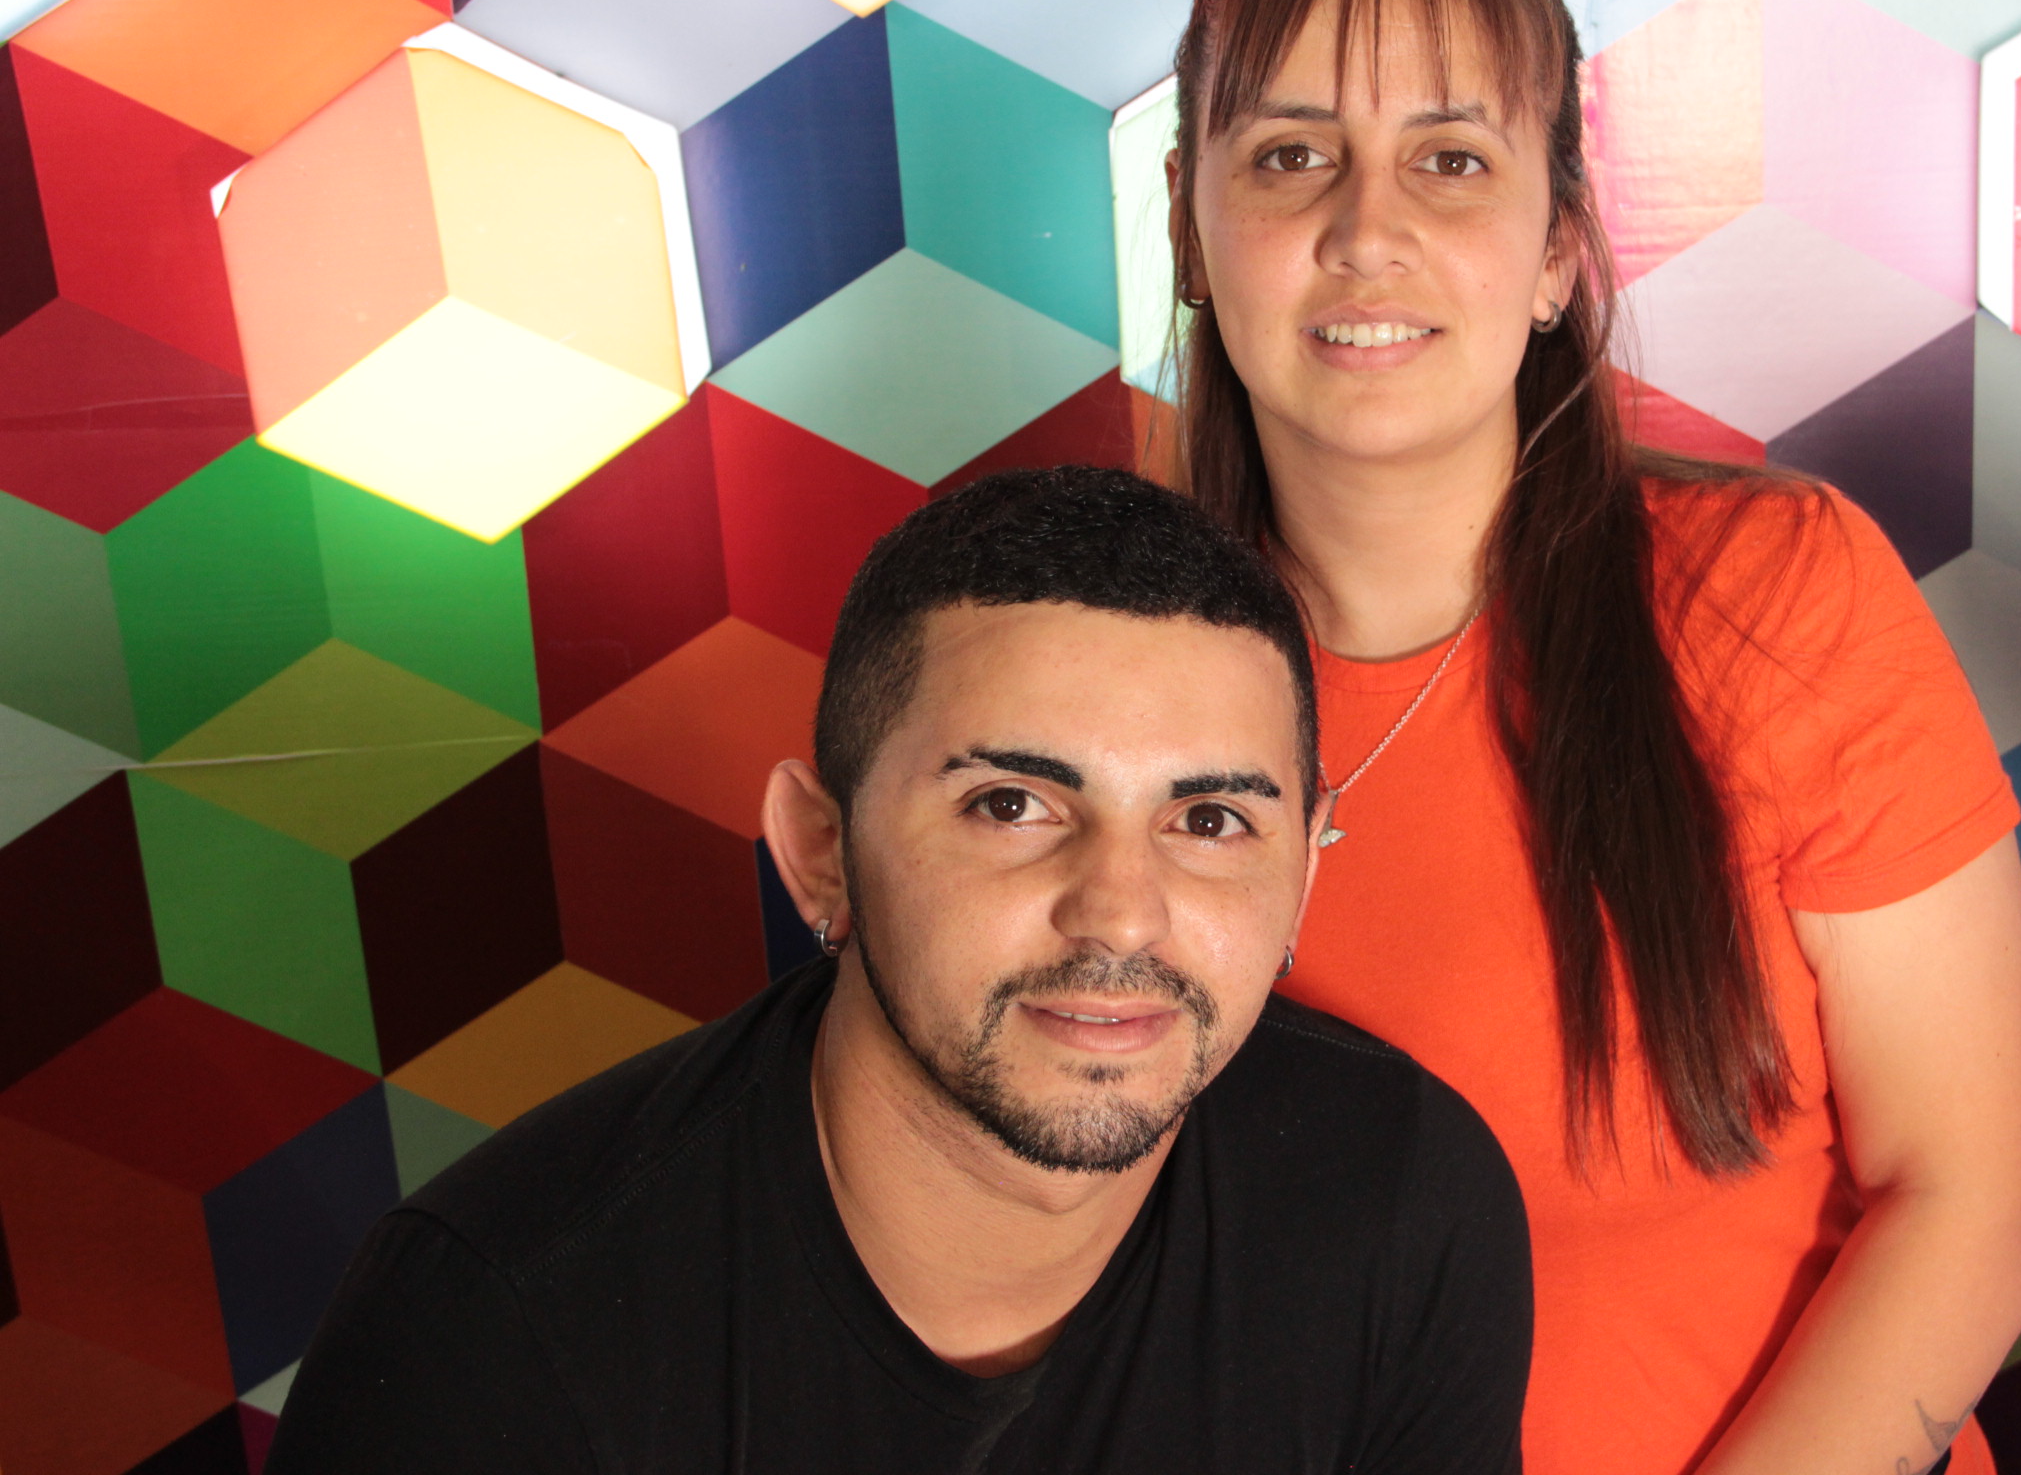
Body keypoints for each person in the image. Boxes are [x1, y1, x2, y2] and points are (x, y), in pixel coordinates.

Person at [1162, 0, 2021, 1475]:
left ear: (1556, 255)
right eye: (1291, 155)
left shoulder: (1777, 596)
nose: (1366, 229)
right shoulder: (1090, 677)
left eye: (1451, 160)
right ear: (1191, 226)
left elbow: (1981, 1200)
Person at [267, 467, 1531, 1473]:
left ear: (1303, 871)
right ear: (820, 851)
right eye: (1011, 805)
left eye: (1209, 821)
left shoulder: (1400, 1197)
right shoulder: (488, 1331)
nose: (1121, 916)